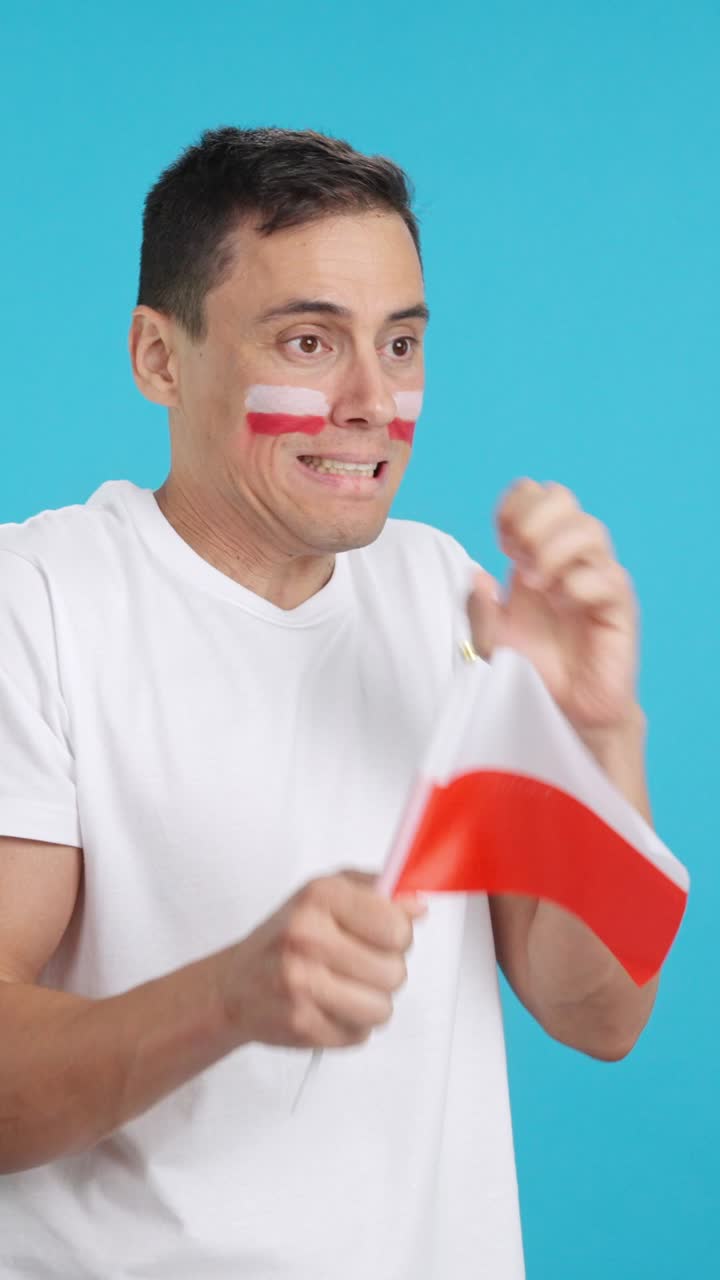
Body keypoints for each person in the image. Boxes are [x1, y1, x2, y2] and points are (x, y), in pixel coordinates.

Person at [0, 127, 657, 1279]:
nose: (372, 401)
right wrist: (230, 997)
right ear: (161, 357)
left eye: (400, 343)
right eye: (309, 340)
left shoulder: (439, 590)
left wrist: (600, 730)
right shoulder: (39, 601)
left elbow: (599, 1014)